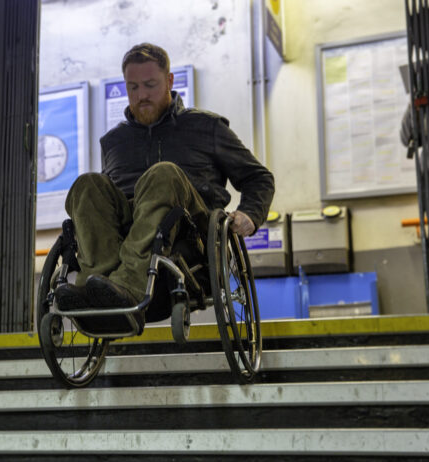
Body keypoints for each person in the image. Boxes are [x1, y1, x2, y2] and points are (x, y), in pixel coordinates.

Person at [55, 43, 275, 332]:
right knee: (87, 185)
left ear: (169, 81)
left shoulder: (206, 127)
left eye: (150, 85)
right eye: (132, 87)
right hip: (131, 235)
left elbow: (259, 177)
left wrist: (250, 213)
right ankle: (99, 286)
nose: (141, 95)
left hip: (191, 238)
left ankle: (127, 286)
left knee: (163, 175)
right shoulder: (114, 142)